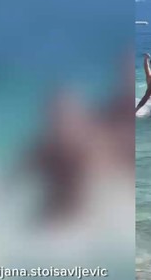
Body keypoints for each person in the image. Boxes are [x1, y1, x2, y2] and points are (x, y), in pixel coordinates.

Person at [23, 89, 108, 225]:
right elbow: (14, 177)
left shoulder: (88, 146)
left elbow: (107, 182)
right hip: (52, 213)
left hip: (81, 218)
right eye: (56, 115)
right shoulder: (43, 149)